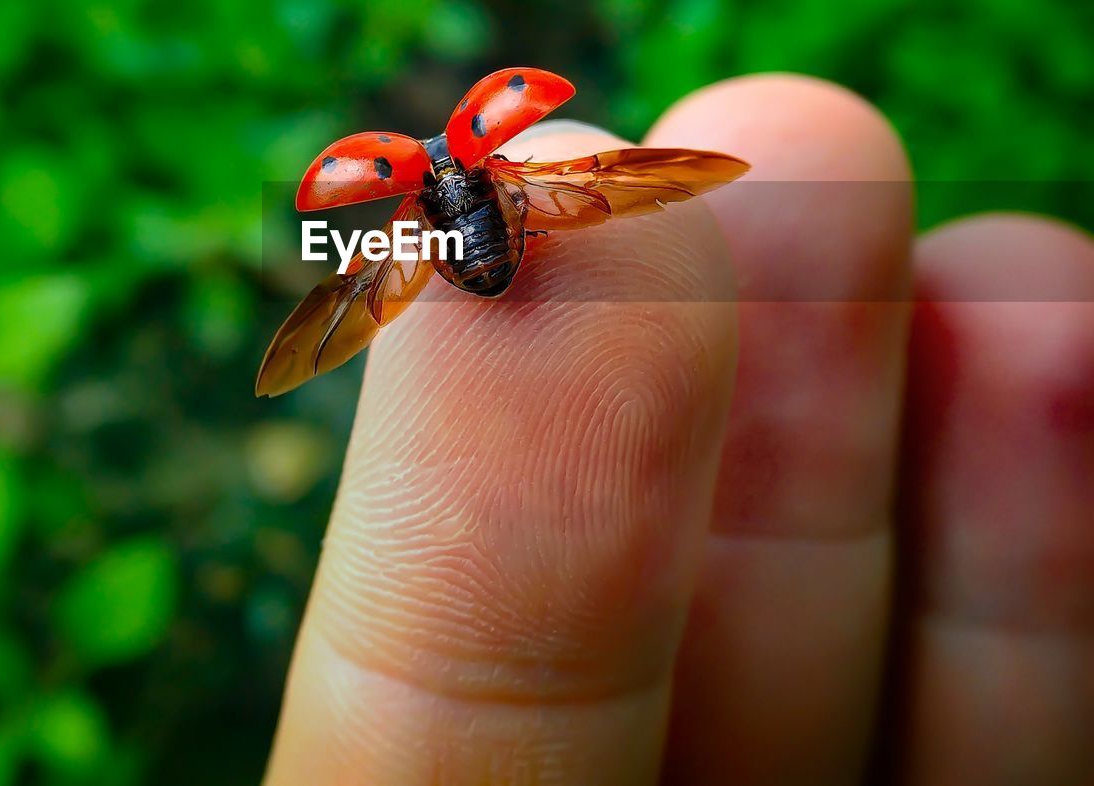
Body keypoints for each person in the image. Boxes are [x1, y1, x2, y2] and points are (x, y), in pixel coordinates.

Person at [262, 74, 1094, 785]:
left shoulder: (410, 223)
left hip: (479, 264)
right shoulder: (507, 174)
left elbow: (367, 281)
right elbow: (605, 182)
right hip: (505, 246)